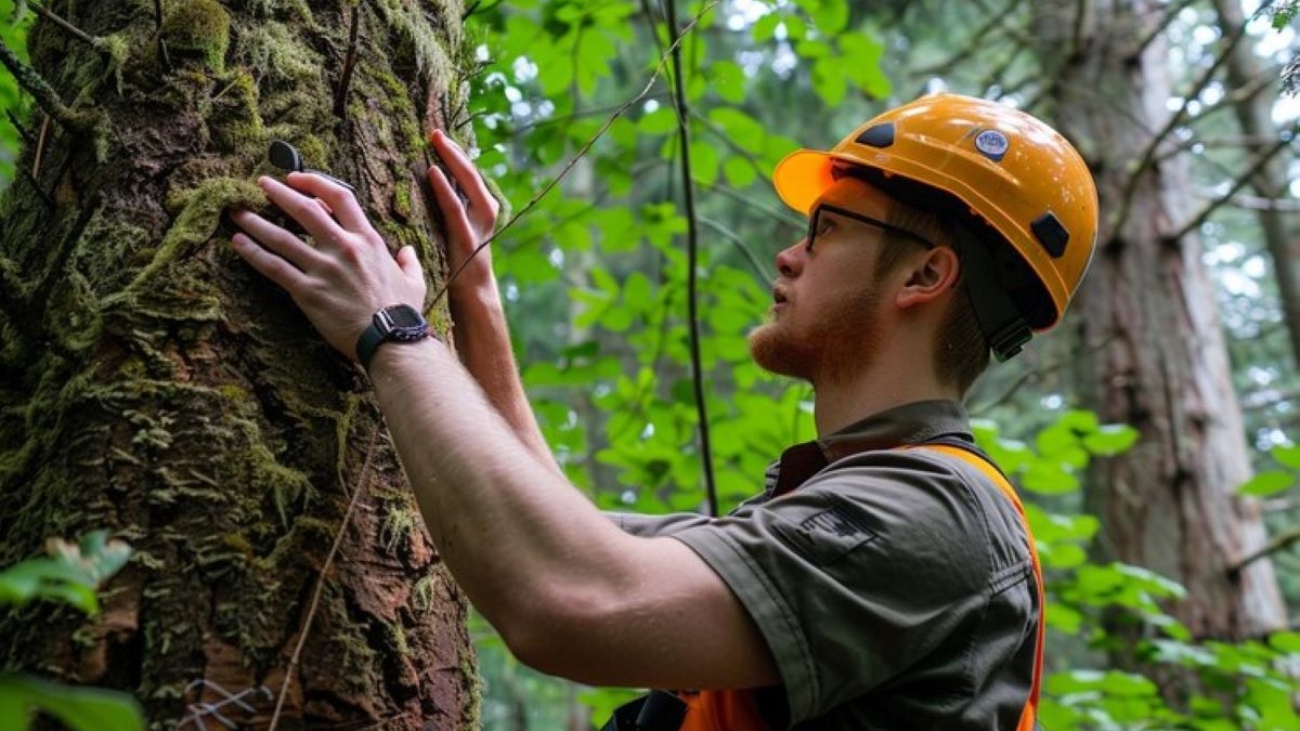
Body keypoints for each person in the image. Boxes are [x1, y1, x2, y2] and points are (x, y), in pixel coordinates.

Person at [230, 93, 1098, 731]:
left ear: (924, 276)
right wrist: (476, 299)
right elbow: (557, 535)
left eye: (829, 226)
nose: (790, 254)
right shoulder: (841, 508)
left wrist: (394, 332)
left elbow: (567, 597)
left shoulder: (934, 519)